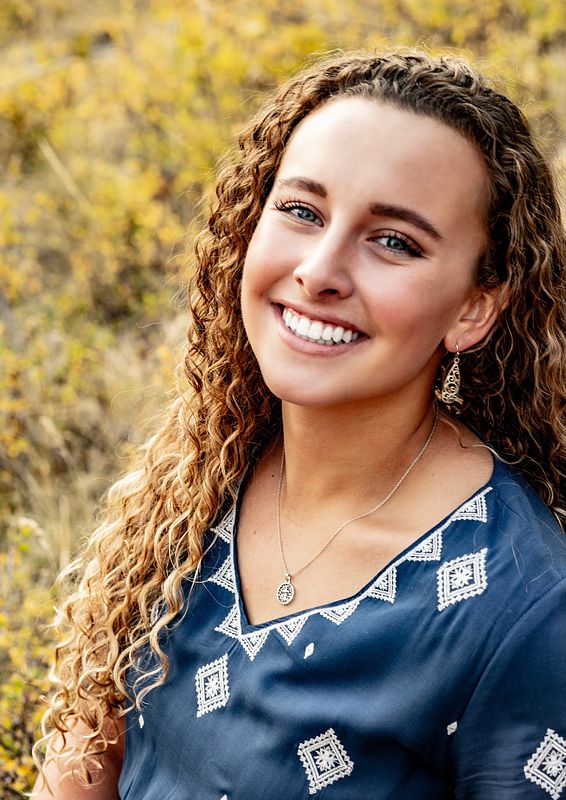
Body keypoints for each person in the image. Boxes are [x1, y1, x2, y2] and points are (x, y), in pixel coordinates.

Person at [33, 49, 566, 799]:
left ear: (475, 307)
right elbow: (84, 765)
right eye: (302, 211)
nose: (319, 269)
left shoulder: (525, 606)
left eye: (395, 241)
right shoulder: (202, 472)